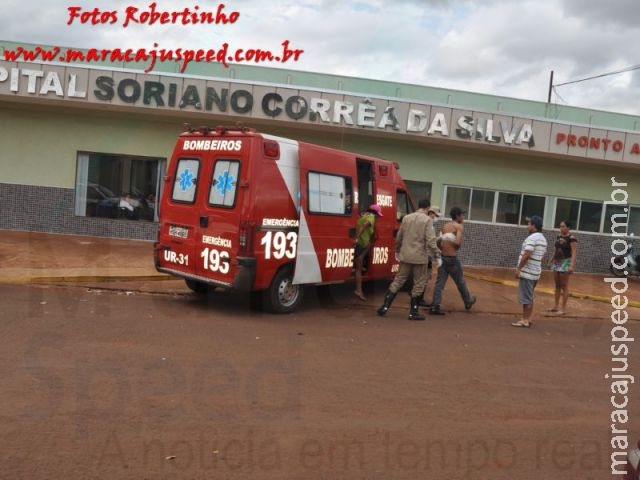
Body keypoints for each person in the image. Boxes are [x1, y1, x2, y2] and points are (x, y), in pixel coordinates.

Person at [377, 198, 436, 320]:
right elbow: (430, 240)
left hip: (405, 255)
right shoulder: (427, 220)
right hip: (420, 257)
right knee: (419, 283)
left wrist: (398, 250)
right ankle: (413, 312)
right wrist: (437, 253)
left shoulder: (406, 218)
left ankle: (384, 307)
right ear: (427, 208)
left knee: (398, 280)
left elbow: (399, 236)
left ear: (419, 206)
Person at [429, 206, 476, 315]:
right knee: (460, 282)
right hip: (452, 259)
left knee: (439, 284)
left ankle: (435, 305)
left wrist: (444, 245)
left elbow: (437, 242)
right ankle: (468, 301)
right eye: (462, 215)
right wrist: (453, 243)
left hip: (442, 258)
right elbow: (458, 243)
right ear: (457, 216)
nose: (463, 217)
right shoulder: (459, 227)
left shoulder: (444, 226)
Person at [512, 215, 548, 328]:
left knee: (526, 298)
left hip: (528, 273)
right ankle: (528, 318)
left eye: (529, 224)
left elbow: (527, 254)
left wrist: (519, 269)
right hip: (535, 272)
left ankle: (525, 320)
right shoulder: (543, 238)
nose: (527, 226)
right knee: (530, 296)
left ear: (534, 226)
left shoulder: (533, 238)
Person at [547, 220, 577, 315]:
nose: (561, 228)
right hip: (557, 262)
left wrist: (571, 265)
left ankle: (563, 309)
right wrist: (550, 261)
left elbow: (574, 252)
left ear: (568, 228)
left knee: (564, 286)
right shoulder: (559, 237)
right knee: (557, 285)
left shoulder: (572, 238)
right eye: (560, 226)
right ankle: (556, 306)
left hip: (565, 262)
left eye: (563, 226)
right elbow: (556, 250)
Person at [353, 204, 382, 301]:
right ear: (375, 213)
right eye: (378, 214)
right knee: (358, 268)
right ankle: (359, 291)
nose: (378, 217)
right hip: (362, 244)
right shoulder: (371, 218)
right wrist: (356, 238)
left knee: (358, 267)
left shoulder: (362, 215)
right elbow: (364, 226)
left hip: (361, 245)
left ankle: (359, 290)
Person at [415, 205, 442, 307]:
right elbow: (430, 241)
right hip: (426, 254)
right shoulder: (428, 224)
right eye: (436, 215)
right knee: (424, 277)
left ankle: (417, 297)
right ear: (430, 213)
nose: (436, 218)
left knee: (421, 277)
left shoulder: (424, 223)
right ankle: (418, 299)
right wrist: (437, 252)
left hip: (422, 253)